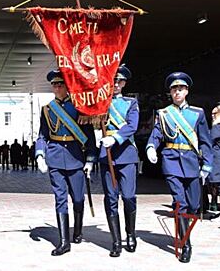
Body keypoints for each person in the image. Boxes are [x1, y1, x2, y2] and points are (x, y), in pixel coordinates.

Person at [146, 72, 213, 263]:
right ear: (170, 92)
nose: (177, 92)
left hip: (192, 162)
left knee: (193, 205)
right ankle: (186, 244)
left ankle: (184, 231)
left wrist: (207, 164)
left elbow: (205, 141)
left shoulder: (197, 113)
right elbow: (157, 134)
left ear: (186, 91)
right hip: (172, 162)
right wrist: (151, 146)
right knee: (180, 203)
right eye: (174, 89)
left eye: (180, 89)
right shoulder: (164, 113)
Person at [35, 70, 96, 256]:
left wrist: (90, 160)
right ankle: (64, 242)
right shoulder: (47, 109)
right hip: (55, 157)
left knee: (78, 198)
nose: (57, 87)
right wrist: (39, 154)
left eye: (60, 84)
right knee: (60, 199)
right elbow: (43, 134)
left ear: (67, 86)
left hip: (76, 157)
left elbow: (89, 137)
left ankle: (77, 229)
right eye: (54, 85)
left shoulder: (79, 107)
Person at [84, 65, 139, 257]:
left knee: (130, 196)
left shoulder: (131, 103)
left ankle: (130, 234)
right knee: (111, 199)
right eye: (113, 81)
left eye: (119, 81)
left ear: (124, 83)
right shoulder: (100, 103)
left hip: (126, 154)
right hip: (106, 157)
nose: (116, 84)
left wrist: (115, 138)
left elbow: (132, 125)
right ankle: (116, 241)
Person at [208, 103, 220, 212]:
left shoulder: (216, 127)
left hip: (217, 158)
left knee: (214, 182)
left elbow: (210, 141)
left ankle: (214, 203)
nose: (212, 115)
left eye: (214, 113)